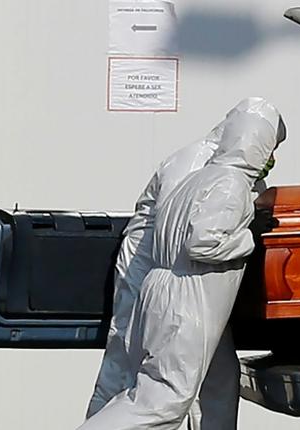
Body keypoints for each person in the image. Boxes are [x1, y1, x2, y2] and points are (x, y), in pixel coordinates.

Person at [79, 97, 285, 429]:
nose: (272, 158)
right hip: (172, 287)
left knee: (214, 380)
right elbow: (200, 241)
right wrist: (249, 237)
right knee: (153, 394)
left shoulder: (221, 170)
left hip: (192, 293)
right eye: (270, 147)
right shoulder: (207, 170)